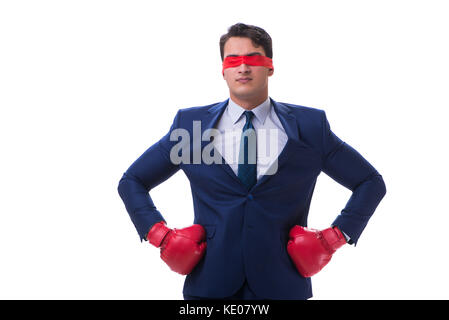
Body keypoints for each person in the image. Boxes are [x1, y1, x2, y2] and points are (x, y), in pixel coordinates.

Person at [117, 23, 386, 300]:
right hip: (210, 286)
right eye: (233, 60)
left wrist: (333, 238)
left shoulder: (309, 126)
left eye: (253, 59)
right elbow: (132, 181)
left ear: (270, 66)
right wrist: (159, 235)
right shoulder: (192, 126)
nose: (243, 68)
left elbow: (370, 182)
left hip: (283, 286)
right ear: (223, 69)